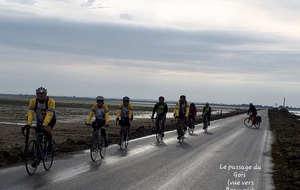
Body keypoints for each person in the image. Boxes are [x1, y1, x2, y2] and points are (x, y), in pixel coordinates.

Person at [22, 87, 56, 167]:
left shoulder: (50, 101)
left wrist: (44, 125)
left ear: (46, 94)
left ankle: (50, 143)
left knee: (47, 129)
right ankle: (38, 159)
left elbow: (49, 114)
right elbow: (30, 113)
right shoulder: (33, 101)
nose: (41, 96)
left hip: (50, 119)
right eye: (39, 94)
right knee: (38, 139)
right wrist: (28, 124)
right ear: (36, 95)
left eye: (42, 94)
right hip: (40, 121)